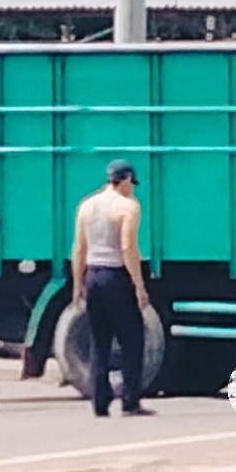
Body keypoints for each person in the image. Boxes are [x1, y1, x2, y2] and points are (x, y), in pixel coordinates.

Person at [71, 159, 154, 418]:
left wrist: (78, 283)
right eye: (132, 183)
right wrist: (139, 285)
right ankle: (130, 401)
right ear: (125, 179)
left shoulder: (86, 205)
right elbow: (128, 247)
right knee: (132, 339)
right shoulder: (128, 206)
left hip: (93, 274)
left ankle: (100, 401)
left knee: (100, 340)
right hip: (116, 275)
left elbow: (79, 249)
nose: (133, 188)